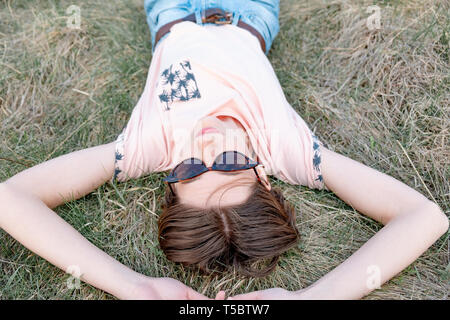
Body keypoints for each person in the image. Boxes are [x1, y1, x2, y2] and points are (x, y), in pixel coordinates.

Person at [0, 0, 448, 300]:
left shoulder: (147, 149)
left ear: (170, 183)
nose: (209, 145)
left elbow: (10, 199)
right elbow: (424, 217)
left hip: (171, 12)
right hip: (249, 12)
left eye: (192, 169)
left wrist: (131, 286)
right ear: (263, 176)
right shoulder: (284, 149)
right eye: (233, 163)